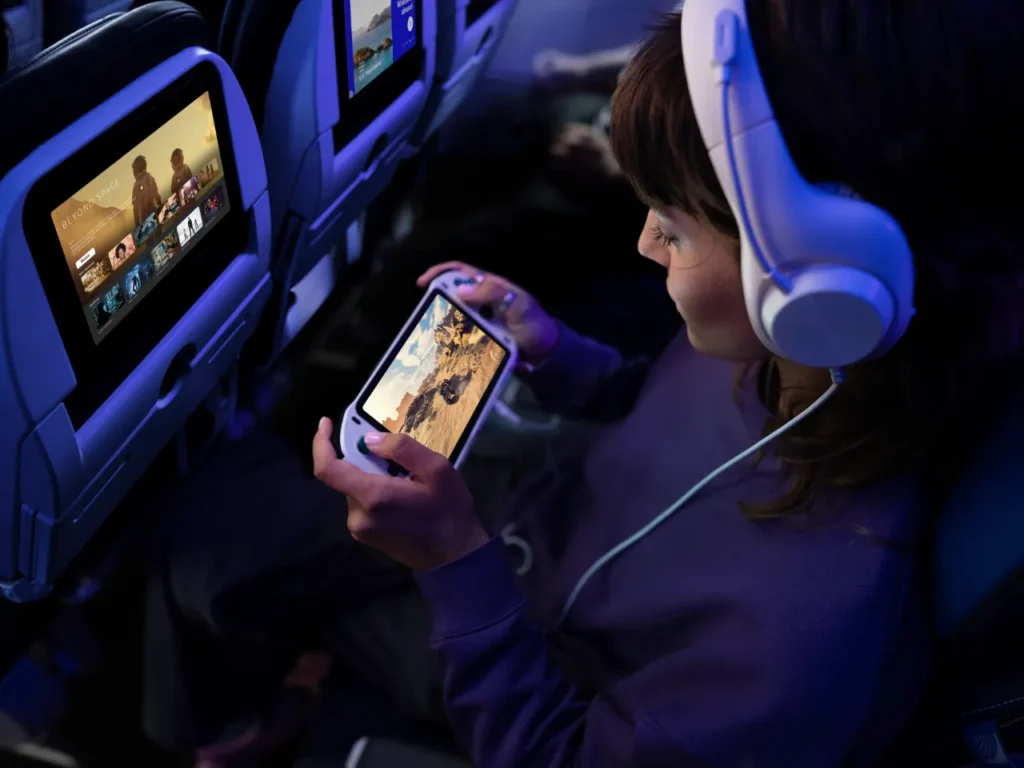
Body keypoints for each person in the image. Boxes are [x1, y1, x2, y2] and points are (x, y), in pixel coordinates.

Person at [144, 3, 1024, 766]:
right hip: (534, 526)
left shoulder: (798, 650)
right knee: (247, 485)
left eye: (673, 229)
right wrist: (560, 354)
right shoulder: (806, 354)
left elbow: (556, 752)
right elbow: (659, 416)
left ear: (819, 282)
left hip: (524, 639)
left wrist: (453, 564)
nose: (645, 244)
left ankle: (234, 727)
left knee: (201, 544)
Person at [131, 155, 162, 227]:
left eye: (134, 169)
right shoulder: (150, 178)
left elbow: (136, 208)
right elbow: (157, 195)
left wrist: (137, 224)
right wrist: (161, 206)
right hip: (154, 212)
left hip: (145, 217)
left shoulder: (136, 186)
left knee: (150, 235)